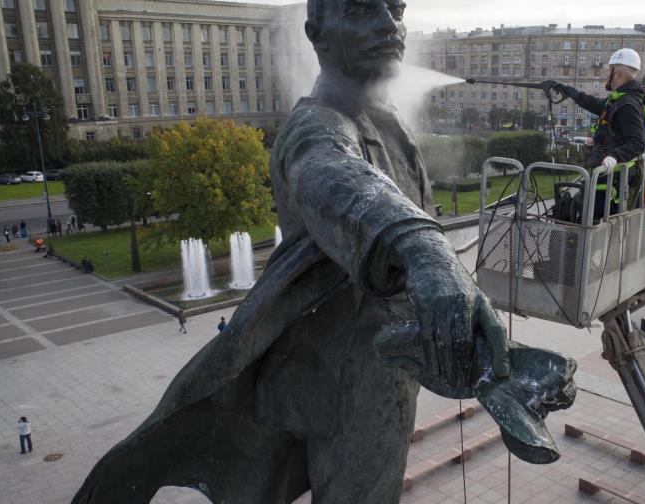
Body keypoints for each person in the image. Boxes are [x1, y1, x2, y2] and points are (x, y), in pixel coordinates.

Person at [69, 3, 577, 503]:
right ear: (316, 32)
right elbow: (331, 172)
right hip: (341, 385)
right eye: (360, 10)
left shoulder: (385, 122)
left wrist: (481, 355)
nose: (388, 26)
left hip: (381, 375)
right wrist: (422, 247)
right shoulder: (315, 126)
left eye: (395, 9)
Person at [546, 49, 645, 219]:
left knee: (594, 225)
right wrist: (568, 90)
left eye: (610, 70)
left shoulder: (627, 104)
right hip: (606, 177)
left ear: (618, 73)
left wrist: (614, 156)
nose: (607, 74)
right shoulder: (620, 98)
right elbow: (595, 104)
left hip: (611, 181)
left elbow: (638, 142)